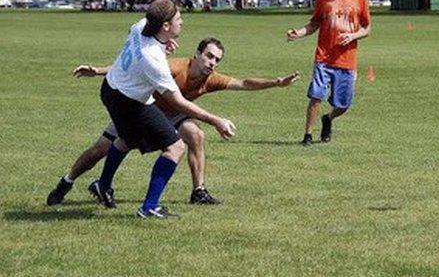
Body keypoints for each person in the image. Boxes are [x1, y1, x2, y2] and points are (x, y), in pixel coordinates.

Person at [47, 38, 300, 207]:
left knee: (196, 136)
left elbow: (243, 83)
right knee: (99, 151)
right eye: (209, 56)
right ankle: (67, 182)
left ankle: (198, 191)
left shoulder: (210, 79)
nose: (212, 63)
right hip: (142, 109)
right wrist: (99, 70)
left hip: (175, 115)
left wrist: (276, 82)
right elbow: (137, 66)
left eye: (216, 60)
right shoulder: (175, 67)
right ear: (197, 54)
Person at [91, 0, 237, 219]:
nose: (182, 21)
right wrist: (216, 120)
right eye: (178, 18)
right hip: (129, 100)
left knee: (127, 140)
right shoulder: (154, 61)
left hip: (111, 88)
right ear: (166, 26)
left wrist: (162, 44)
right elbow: (178, 102)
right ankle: (149, 207)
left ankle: (103, 185)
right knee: (176, 147)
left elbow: (142, 45)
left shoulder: (141, 25)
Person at [285, 0, 371, 146]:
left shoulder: (360, 0)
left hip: (347, 60)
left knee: (343, 105)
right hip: (323, 58)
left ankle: (328, 118)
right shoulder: (323, 0)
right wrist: (298, 33)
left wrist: (354, 35)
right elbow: (314, 24)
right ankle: (307, 135)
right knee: (316, 96)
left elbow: (367, 28)